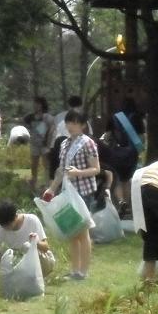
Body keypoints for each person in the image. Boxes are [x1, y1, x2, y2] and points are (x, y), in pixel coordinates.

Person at [48, 110, 101, 281]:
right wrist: (51, 188)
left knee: (82, 232)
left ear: (83, 125)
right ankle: (74, 270)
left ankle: (83, 271)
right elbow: (61, 171)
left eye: (75, 123)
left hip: (83, 192)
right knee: (71, 231)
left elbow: (96, 169)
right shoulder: (64, 144)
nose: (71, 126)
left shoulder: (88, 143)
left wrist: (78, 172)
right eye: (69, 122)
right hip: (67, 192)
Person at [0, 200, 54, 284]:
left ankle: (36, 279)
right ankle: (9, 280)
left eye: (9, 225)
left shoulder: (32, 220)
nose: (7, 228)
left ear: (16, 216)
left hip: (43, 262)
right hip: (20, 263)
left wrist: (36, 242)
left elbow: (46, 247)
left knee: (27, 246)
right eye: (4, 226)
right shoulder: (1, 229)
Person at [29, 96, 53, 190]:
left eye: (38, 104)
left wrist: (48, 142)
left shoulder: (47, 117)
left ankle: (47, 184)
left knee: (46, 164)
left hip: (44, 144)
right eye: (35, 104)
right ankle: (33, 183)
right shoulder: (31, 117)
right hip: (34, 144)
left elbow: (51, 129)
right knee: (34, 165)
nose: (36, 106)